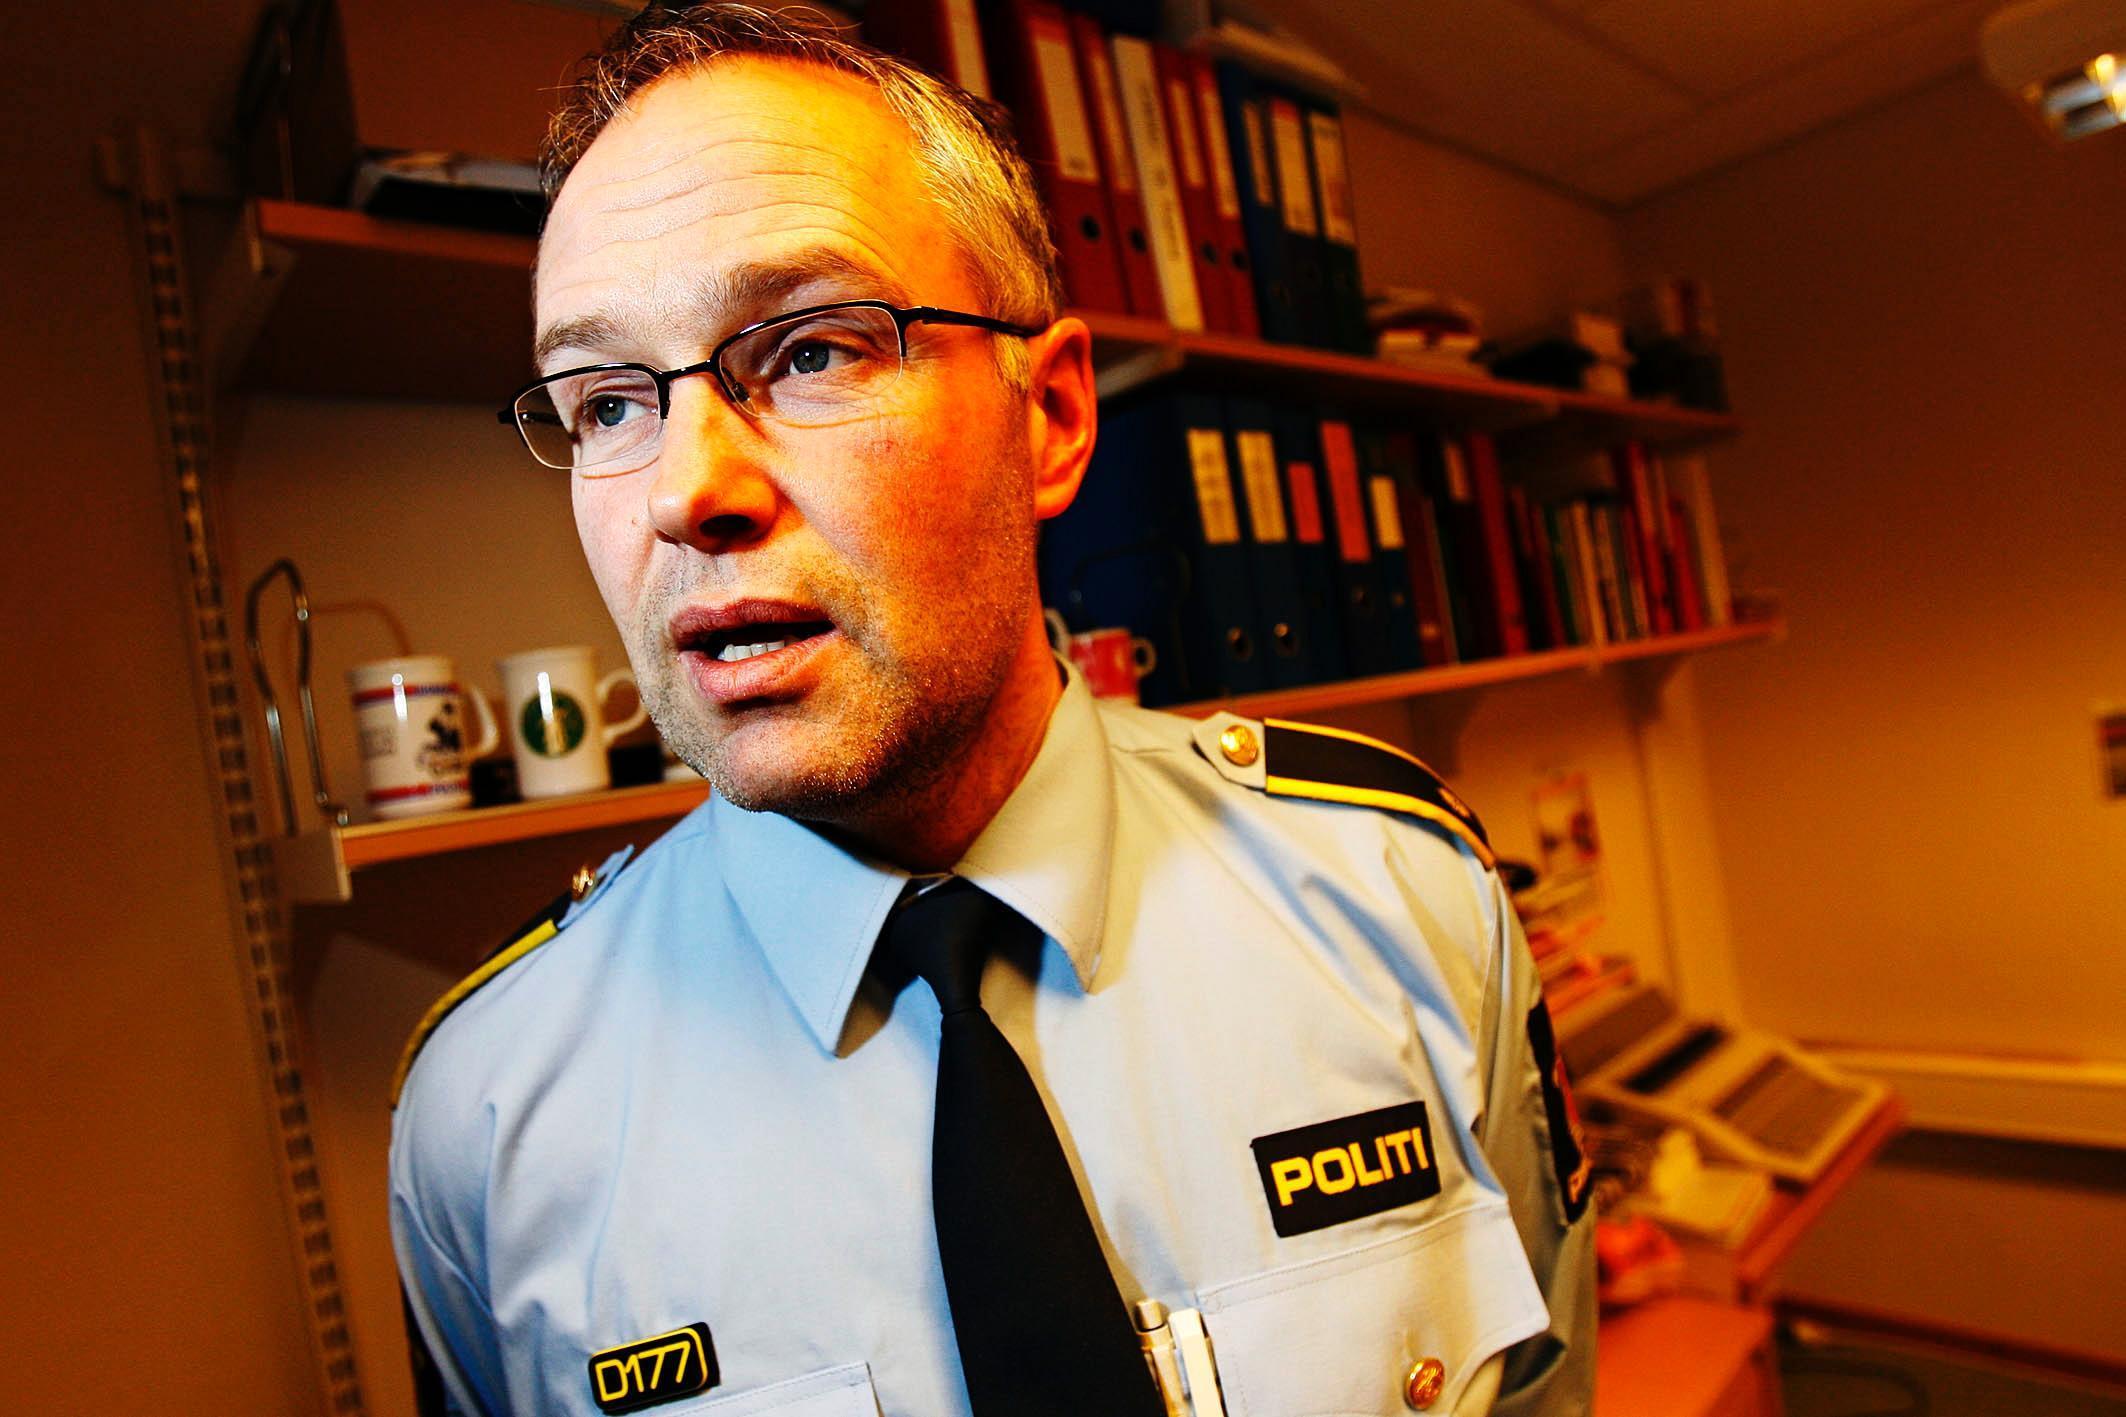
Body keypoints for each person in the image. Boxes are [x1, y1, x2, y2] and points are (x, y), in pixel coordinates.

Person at [389, 6, 1595, 1415]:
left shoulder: (1402, 895)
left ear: (1053, 417)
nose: (684, 490)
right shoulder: (486, 1125)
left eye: (810, 350)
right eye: (604, 403)